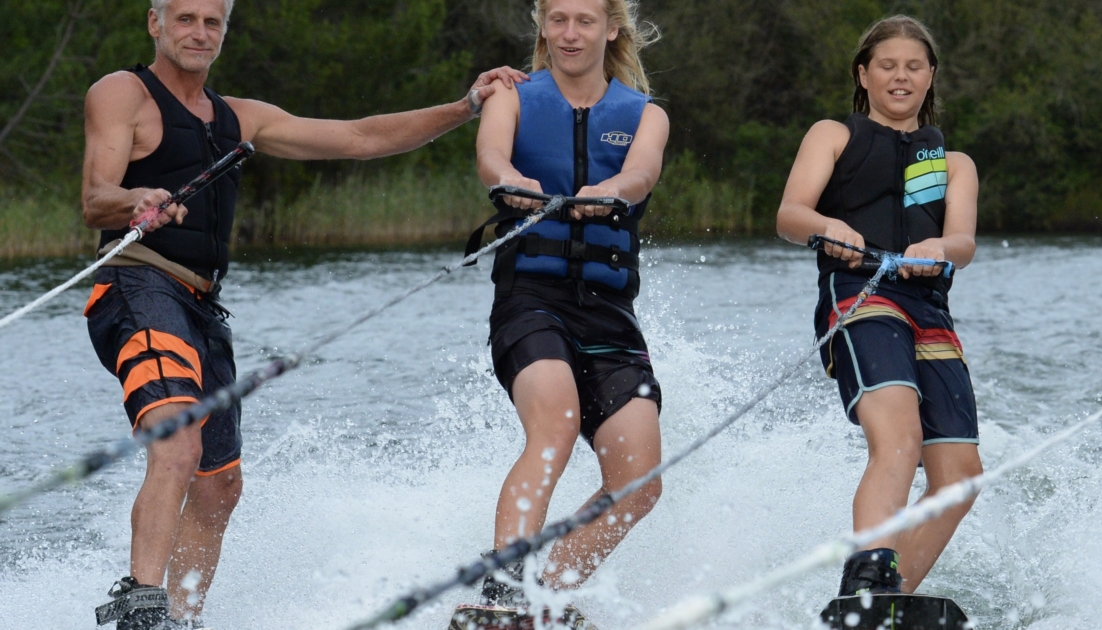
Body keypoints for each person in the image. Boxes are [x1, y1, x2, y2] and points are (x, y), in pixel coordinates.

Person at [80, 0, 519, 627]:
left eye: (213, 22)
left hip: (201, 310)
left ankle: (182, 617)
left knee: (218, 484)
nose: (199, 32)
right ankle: (142, 610)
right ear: (156, 23)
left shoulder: (242, 118)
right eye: (185, 19)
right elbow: (96, 197)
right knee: (175, 441)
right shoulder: (123, 93)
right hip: (138, 286)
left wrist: (465, 107)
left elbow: (360, 137)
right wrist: (136, 198)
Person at [462, 0, 667, 624]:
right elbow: (492, 158)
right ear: (542, 26)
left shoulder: (645, 114)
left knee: (640, 478)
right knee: (554, 424)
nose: (570, 34)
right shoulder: (514, 97)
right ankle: (505, 584)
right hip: (530, 302)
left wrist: (609, 193)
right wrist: (511, 182)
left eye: (584, 21)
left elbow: (640, 175)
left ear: (612, 29)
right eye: (558, 21)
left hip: (607, 315)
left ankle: (547, 588)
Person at [774, 15, 982, 597]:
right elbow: (790, 216)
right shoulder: (832, 135)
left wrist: (940, 245)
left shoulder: (955, 164)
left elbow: (962, 243)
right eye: (887, 65)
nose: (900, 76)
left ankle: (884, 601)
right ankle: (868, 570)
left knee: (961, 481)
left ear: (931, 76)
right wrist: (827, 225)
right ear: (863, 75)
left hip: (929, 312)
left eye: (914, 66)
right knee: (898, 440)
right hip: (862, 298)